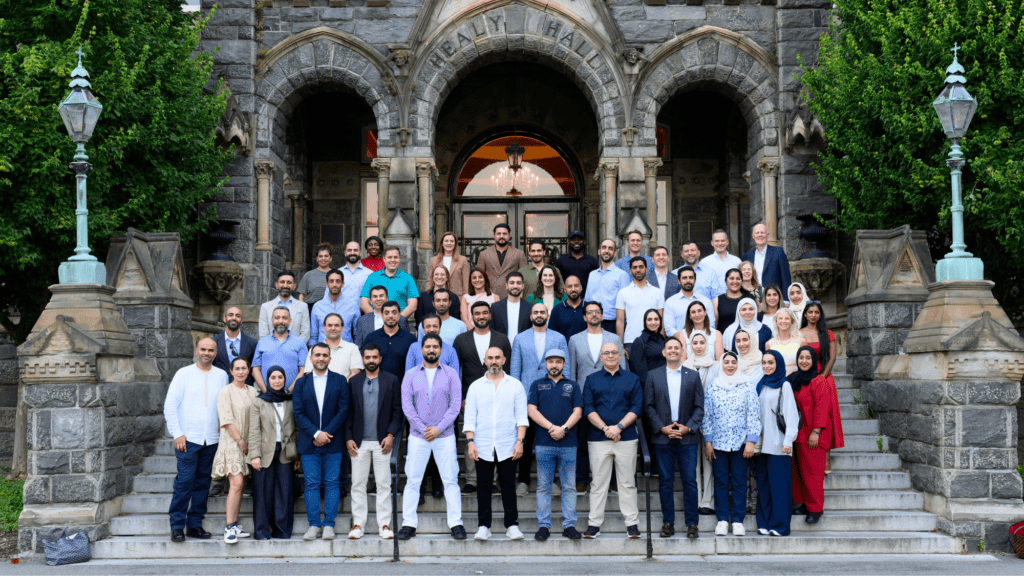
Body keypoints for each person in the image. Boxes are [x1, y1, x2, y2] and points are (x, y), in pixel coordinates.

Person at [397, 335, 467, 541]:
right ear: (421, 350)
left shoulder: (451, 374)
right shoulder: (410, 375)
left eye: (435, 346)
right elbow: (407, 406)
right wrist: (423, 429)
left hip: (444, 436)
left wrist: (438, 428)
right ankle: (408, 523)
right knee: (413, 480)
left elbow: (455, 405)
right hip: (418, 437)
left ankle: (456, 523)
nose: (431, 349)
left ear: (441, 350)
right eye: (427, 346)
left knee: (450, 480)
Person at [164, 338, 228, 542]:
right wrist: (177, 433)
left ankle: (194, 524)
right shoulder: (183, 373)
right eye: (203, 349)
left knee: (203, 483)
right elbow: (170, 405)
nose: (206, 353)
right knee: (184, 482)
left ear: (216, 353)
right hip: (188, 439)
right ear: (197, 350)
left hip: (212, 440)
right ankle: (177, 526)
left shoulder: (222, 375)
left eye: (210, 350)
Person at [464, 346, 529, 541]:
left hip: (508, 443)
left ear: (504, 360)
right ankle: (484, 526)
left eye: (497, 358)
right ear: (484, 361)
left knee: (508, 485)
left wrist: (520, 441)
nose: (494, 361)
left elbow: (522, 416)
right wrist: (470, 442)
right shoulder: (476, 386)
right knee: (483, 486)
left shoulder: (515, 385)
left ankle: (512, 525)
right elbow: (469, 417)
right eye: (490, 358)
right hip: (482, 443)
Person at [644, 336, 704, 539]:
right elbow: (649, 406)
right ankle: (668, 522)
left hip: (687, 437)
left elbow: (699, 407)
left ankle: (692, 524)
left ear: (681, 351)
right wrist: (662, 428)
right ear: (663, 352)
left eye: (676, 348)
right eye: (669, 348)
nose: (673, 350)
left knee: (690, 481)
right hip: (663, 437)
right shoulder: (653, 375)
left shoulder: (692, 375)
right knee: (665, 481)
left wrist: (689, 428)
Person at [582, 342, 643, 539]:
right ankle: (594, 524)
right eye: (606, 353)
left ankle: (632, 524)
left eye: (614, 352)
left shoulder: (632, 379)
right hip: (598, 439)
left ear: (620, 356)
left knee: (627, 483)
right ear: (601, 357)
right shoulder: (591, 380)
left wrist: (619, 427)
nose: (610, 355)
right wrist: (605, 428)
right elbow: (588, 408)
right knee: (598, 483)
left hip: (626, 439)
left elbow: (636, 407)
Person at [343, 344, 403, 540]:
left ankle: (384, 524)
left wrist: (390, 435)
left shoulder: (391, 380)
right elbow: (348, 412)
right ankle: (358, 524)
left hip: (382, 442)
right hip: (358, 442)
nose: (371, 360)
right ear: (362, 359)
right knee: (357, 484)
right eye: (367, 357)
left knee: (384, 484)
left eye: (374, 357)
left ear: (380, 359)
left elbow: (397, 411)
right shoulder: (353, 381)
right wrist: (348, 437)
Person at [510, 302, 571, 495]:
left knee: (550, 439)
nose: (539, 315)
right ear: (530, 316)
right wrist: (516, 396)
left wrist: (564, 392)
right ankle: (523, 481)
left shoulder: (558, 338)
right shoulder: (520, 338)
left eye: (542, 312)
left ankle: (551, 481)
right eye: (535, 312)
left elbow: (567, 368)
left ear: (547, 315)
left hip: (552, 394)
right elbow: (515, 370)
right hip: (527, 396)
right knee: (525, 439)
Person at [292, 343, 350, 541]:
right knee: (311, 484)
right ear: (311, 358)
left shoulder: (340, 380)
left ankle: (329, 525)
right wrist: (316, 434)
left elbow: (343, 410)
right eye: (317, 355)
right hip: (309, 442)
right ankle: (314, 525)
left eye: (325, 355)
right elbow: (298, 412)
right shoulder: (301, 383)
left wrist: (326, 434)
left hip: (334, 441)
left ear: (330, 359)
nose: (321, 358)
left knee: (332, 483)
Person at [453, 301, 512, 494]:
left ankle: (491, 480)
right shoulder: (461, 340)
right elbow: (455, 371)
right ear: (471, 316)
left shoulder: (501, 339)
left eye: (485, 313)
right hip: (470, 397)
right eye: (477, 313)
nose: (481, 316)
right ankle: (471, 480)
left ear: (490, 315)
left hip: (497, 395)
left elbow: (508, 369)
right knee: (470, 436)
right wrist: (461, 396)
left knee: (493, 436)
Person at [567, 301, 627, 491]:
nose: (594, 315)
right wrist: (574, 397)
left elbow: (623, 368)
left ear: (602, 315)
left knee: (612, 438)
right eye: (590, 312)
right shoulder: (575, 340)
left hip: (610, 396)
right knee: (583, 439)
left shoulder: (614, 338)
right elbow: (572, 371)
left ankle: (614, 480)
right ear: (584, 317)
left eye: (597, 312)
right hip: (584, 396)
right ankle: (582, 479)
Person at [702, 351, 761, 537]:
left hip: (740, 443)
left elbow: (754, 414)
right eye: (726, 362)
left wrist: (751, 441)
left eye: (733, 362)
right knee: (720, 481)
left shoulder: (747, 386)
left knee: (739, 481)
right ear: (721, 365)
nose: (730, 365)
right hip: (718, 444)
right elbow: (707, 416)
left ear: (738, 364)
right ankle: (721, 520)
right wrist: (708, 442)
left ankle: (737, 520)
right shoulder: (712, 388)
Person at [527, 349, 584, 541]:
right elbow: (531, 410)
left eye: (558, 362)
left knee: (569, 486)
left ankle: (569, 525)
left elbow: (578, 412)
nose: (554, 365)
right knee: (543, 486)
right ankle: (544, 526)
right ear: (545, 364)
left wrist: (564, 429)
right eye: (550, 361)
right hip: (544, 443)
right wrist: (552, 427)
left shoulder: (573, 386)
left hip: (568, 443)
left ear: (564, 364)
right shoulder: (537, 385)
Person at [247, 365, 298, 540]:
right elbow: (253, 431)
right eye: (273, 378)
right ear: (267, 380)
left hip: (286, 452)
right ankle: (262, 531)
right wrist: (255, 455)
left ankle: (282, 530)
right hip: (264, 452)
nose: (277, 381)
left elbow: (296, 429)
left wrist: (296, 454)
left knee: (284, 492)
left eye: (280, 377)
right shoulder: (258, 401)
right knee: (263, 493)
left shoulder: (291, 401)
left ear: (285, 379)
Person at [212, 357, 258, 543]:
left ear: (248, 370)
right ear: (231, 371)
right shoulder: (226, 392)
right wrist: (239, 440)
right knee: (237, 483)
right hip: (232, 442)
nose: (240, 372)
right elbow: (226, 419)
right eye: (237, 368)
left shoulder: (253, 391)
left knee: (240, 485)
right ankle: (229, 527)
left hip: (248, 443)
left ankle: (235, 525)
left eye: (244, 368)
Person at [753, 350, 799, 537]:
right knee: (763, 485)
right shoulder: (761, 384)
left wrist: (788, 441)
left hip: (779, 444)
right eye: (764, 363)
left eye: (770, 363)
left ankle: (780, 525)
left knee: (779, 487)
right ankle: (764, 523)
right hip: (761, 444)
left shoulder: (784, 385)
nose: (766, 366)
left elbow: (791, 416)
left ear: (778, 364)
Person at [790, 346, 833, 524]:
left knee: (813, 473)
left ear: (814, 360)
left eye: (808, 358)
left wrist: (816, 431)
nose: (804, 361)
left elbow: (823, 408)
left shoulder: (818, 381)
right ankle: (804, 504)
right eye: (801, 357)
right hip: (800, 433)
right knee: (800, 472)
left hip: (814, 433)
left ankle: (815, 509)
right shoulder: (796, 379)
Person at [800, 302, 844, 473]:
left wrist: (821, 377)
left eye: (816, 312)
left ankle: (827, 457)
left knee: (826, 418)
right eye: (810, 312)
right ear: (805, 314)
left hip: (823, 377)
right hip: (805, 377)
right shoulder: (799, 333)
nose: (813, 315)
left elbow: (832, 358)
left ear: (820, 315)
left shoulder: (828, 333)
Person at [683, 332, 718, 515]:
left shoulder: (716, 366)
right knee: (692, 462)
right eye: (694, 343)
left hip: (711, 419)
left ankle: (708, 501)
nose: (698, 346)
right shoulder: (684, 366)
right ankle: (694, 500)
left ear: (707, 345)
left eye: (701, 342)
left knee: (709, 460)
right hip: (690, 419)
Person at [615, 256, 665, 355]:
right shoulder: (623, 293)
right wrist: (620, 345)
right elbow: (620, 321)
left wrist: (662, 343)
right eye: (635, 267)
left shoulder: (657, 292)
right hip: (630, 341)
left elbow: (661, 320)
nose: (638, 270)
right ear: (630, 271)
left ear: (646, 269)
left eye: (641, 267)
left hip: (653, 341)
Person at [252, 306, 307, 394]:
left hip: (292, 396)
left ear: (290, 321)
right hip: (266, 396)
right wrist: (266, 391)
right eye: (277, 318)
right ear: (272, 320)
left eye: (284, 318)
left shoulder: (300, 342)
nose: (281, 321)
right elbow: (255, 370)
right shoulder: (262, 342)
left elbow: (304, 370)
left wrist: (288, 392)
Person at [364, 301, 419, 383]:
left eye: (394, 312)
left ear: (399, 315)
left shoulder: (410, 339)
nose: (390, 316)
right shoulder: (371, 338)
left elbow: (415, 366)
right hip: (377, 386)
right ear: (382, 315)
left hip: (402, 386)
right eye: (386, 313)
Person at [584, 239, 631, 333]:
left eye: (610, 248)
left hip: (612, 324)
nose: (606, 251)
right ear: (599, 251)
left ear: (615, 253)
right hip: (592, 322)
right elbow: (587, 301)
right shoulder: (592, 275)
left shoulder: (622, 275)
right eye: (604, 247)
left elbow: (626, 304)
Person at [359, 246, 418, 320]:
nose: (393, 260)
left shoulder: (408, 279)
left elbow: (413, 305)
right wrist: (377, 320)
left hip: (399, 323)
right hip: (375, 322)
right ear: (384, 259)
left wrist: (396, 321)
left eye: (395, 257)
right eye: (389, 257)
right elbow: (364, 303)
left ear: (399, 258)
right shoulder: (372, 277)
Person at [476, 223, 528, 300]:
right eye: (498, 234)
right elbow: (479, 276)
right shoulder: (484, 254)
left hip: (511, 295)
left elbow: (524, 277)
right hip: (490, 295)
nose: (501, 236)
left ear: (509, 236)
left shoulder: (519, 254)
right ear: (494, 236)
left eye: (504, 234)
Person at [258, 271, 311, 344]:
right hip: (272, 349)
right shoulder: (265, 307)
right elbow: (263, 334)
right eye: (282, 282)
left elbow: (306, 333)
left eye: (289, 282)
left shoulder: (303, 306)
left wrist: (293, 347)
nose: (285, 285)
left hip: (295, 349)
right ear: (276, 285)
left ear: (294, 286)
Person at [306, 313, 363, 378]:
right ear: (324, 328)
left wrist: (341, 384)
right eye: (330, 325)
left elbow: (355, 373)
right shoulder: (314, 350)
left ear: (342, 328)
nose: (333, 328)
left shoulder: (352, 348)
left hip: (345, 384)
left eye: (336, 325)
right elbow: (309, 375)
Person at [664, 266, 716, 338]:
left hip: (703, 342)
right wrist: (685, 340)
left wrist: (698, 340)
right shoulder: (670, 302)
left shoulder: (706, 301)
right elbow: (669, 329)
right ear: (679, 281)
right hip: (680, 343)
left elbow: (710, 326)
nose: (688, 281)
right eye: (684, 278)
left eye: (691, 277)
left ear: (695, 280)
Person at [310, 269, 357, 345]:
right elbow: (313, 336)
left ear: (342, 284)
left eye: (338, 281)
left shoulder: (352, 305)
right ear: (327, 284)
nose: (334, 284)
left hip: (347, 350)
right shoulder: (317, 306)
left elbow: (357, 335)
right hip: (323, 350)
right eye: (331, 281)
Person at [741, 223, 792, 292]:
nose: (760, 235)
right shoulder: (746, 256)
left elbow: (786, 279)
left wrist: (785, 297)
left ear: (767, 235)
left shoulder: (778, 252)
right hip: (752, 295)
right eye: (757, 233)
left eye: (762, 232)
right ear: (753, 236)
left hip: (773, 296)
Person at [213, 306, 256, 386]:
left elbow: (255, 370)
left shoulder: (252, 343)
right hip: (221, 387)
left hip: (244, 388)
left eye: (237, 316)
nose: (234, 318)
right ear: (224, 319)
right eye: (230, 315)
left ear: (241, 320)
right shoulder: (214, 342)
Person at [629, 309, 667, 388]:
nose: (653, 322)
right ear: (645, 322)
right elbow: (639, 373)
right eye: (649, 319)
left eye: (656, 319)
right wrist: (652, 387)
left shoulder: (663, 340)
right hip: (650, 387)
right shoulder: (639, 342)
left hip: (665, 385)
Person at [428, 231, 471, 300]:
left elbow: (466, 283)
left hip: (457, 297)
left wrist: (465, 299)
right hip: (438, 298)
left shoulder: (463, 260)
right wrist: (428, 297)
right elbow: (429, 281)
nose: (449, 243)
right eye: (446, 241)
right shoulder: (433, 260)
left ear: (455, 244)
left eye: (451, 241)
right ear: (442, 243)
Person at [554, 230, 598, 296]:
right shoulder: (561, 261)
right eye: (573, 239)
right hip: (566, 298)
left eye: (579, 239)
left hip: (587, 298)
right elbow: (556, 281)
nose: (576, 241)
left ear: (584, 242)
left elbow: (597, 282)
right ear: (568, 242)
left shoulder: (592, 261)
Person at [490, 272, 531, 341]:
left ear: (523, 286)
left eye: (518, 283)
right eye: (512, 283)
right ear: (506, 286)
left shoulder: (530, 307)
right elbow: (491, 331)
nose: (515, 286)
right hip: (501, 346)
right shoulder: (495, 307)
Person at [766, 308, 805, 375]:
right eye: (780, 318)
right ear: (776, 321)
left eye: (787, 318)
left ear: (792, 322)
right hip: (778, 379)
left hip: (797, 379)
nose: (783, 321)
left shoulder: (801, 341)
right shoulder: (769, 344)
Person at [297, 242, 334, 314]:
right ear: (317, 259)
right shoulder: (308, 275)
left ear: (330, 258)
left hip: (330, 309)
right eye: (320, 256)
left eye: (326, 256)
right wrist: (302, 311)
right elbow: (302, 295)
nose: (323, 259)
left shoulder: (335, 274)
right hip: (311, 310)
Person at [548, 275, 586, 342]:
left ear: (581, 288)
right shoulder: (557, 310)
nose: (573, 289)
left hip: (586, 348)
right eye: (569, 286)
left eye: (576, 286)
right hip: (564, 348)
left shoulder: (589, 308)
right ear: (565, 289)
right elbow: (551, 335)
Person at [341, 242, 373, 319]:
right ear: (345, 253)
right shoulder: (338, 273)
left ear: (360, 253)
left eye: (355, 250)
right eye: (349, 250)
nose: (352, 253)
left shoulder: (370, 274)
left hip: (364, 316)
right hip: (342, 316)